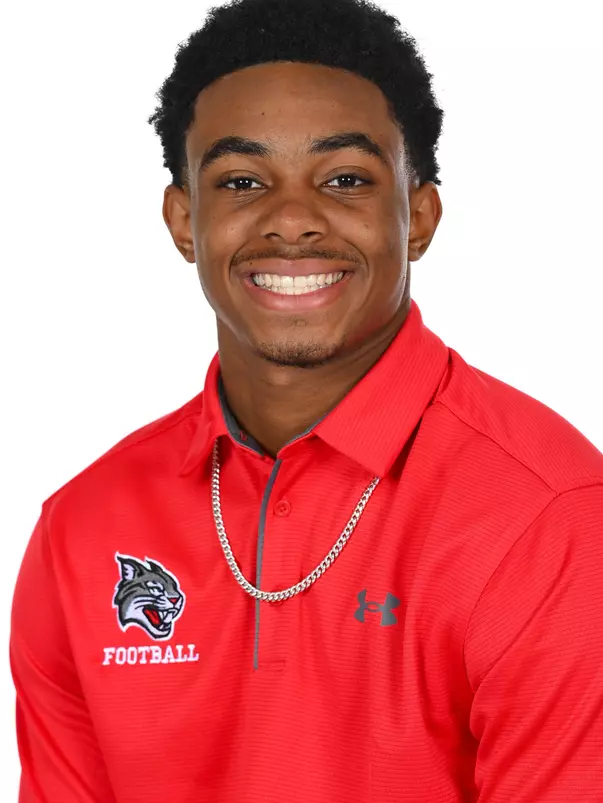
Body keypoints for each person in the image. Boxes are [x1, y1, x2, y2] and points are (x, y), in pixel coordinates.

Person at [10, 0, 603, 800]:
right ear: (185, 221)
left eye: (346, 179)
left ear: (418, 216)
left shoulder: (549, 516)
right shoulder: (81, 528)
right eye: (242, 181)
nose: (291, 220)